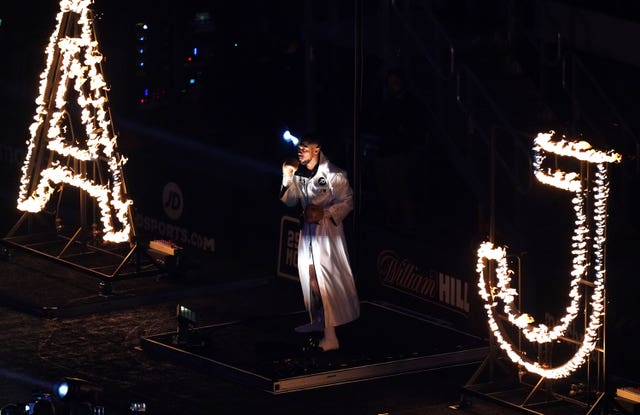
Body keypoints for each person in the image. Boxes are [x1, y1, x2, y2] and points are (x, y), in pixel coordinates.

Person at [280, 135, 360, 351]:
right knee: (311, 278)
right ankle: (318, 320)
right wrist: (286, 177)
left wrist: (324, 213)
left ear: (317, 150)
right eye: (299, 148)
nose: (300, 151)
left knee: (325, 280)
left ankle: (331, 336)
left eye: (305, 148)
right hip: (307, 233)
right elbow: (290, 201)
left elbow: (348, 201)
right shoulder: (300, 173)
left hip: (327, 234)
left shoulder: (334, 174)